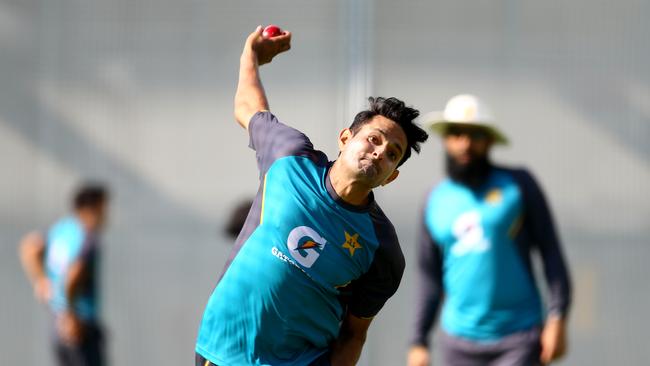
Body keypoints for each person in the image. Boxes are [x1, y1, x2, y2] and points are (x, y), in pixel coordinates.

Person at [195, 26, 428, 366]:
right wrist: (251, 57)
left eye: (393, 153)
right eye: (374, 139)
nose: (380, 153)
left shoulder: (383, 250)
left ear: (391, 177)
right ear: (345, 138)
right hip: (218, 350)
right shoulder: (289, 157)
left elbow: (354, 334)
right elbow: (247, 107)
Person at [407, 94, 572, 366]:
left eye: (475, 135)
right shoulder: (434, 200)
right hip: (457, 342)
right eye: (457, 134)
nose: (465, 144)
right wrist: (418, 341)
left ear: (490, 140)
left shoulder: (518, 185)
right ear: (446, 139)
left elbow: (551, 252)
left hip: (518, 338)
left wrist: (557, 316)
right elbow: (428, 275)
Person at [19, 183, 110, 366]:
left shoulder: (61, 230)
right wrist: (69, 314)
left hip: (58, 326)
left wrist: (41, 281)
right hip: (79, 325)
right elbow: (74, 274)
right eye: (103, 209)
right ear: (91, 209)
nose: (106, 216)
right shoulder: (87, 237)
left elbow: (29, 247)